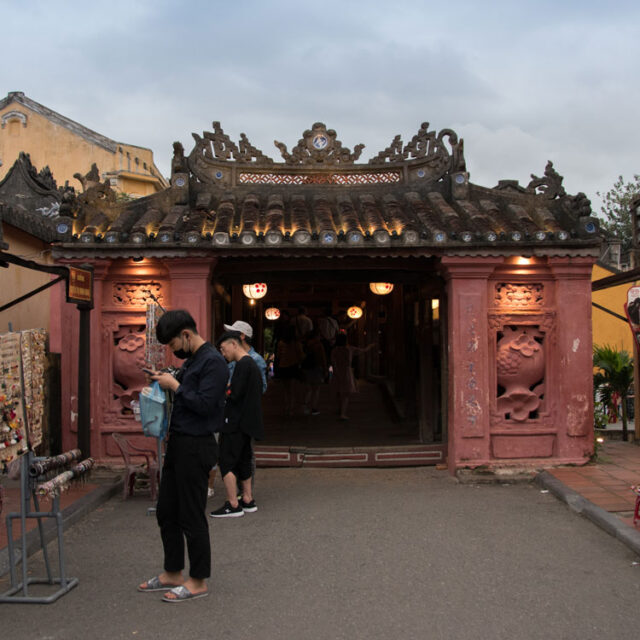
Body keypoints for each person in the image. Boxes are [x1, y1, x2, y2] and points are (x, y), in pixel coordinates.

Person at [137, 309, 227, 603]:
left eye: (173, 345)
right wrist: (166, 378)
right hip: (179, 442)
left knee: (191, 514)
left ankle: (198, 579)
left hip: (197, 444)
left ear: (186, 335)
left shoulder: (213, 362)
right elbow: (185, 385)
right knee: (167, 511)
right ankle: (173, 571)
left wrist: (174, 385)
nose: (173, 351)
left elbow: (204, 405)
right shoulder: (193, 361)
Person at [207, 320, 267, 497]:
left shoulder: (253, 361)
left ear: (239, 338)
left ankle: (241, 495)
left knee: (241, 455)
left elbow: (260, 388)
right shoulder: (234, 358)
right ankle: (241, 495)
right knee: (232, 453)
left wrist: (231, 389)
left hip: (240, 413)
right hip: (228, 412)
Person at [331, 332, 375, 421]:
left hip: (337, 372)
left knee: (339, 392)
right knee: (346, 394)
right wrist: (370, 346)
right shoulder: (349, 349)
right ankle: (343, 414)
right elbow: (363, 350)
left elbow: (333, 362)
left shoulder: (334, 350)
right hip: (346, 372)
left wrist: (335, 371)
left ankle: (340, 409)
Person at [275, 324, 305, 417]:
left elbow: (278, 356)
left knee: (285, 390)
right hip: (293, 366)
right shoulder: (297, 343)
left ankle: (286, 407)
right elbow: (301, 355)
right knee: (292, 390)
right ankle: (291, 409)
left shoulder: (281, 343)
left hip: (283, 366)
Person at [300, 328, 328, 415]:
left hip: (306, 368)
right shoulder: (319, 345)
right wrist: (325, 369)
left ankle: (305, 406)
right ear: (316, 336)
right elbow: (322, 358)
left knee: (308, 389)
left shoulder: (305, 344)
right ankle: (314, 408)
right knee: (316, 389)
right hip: (316, 367)